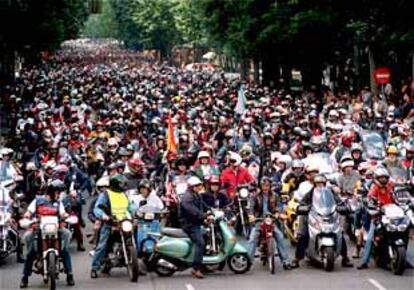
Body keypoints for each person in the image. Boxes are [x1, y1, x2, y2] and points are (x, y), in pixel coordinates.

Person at [20, 180, 75, 288]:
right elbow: (28, 213)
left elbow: (63, 213)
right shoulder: (38, 200)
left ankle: (70, 275)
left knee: (66, 242)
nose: (59, 194)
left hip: (56, 228)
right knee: (30, 250)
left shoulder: (59, 203)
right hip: (39, 229)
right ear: (51, 192)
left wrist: (66, 216)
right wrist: (27, 217)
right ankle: (25, 277)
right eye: (57, 192)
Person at [291, 174, 353, 268]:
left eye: (321, 183)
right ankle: (296, 259)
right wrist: (303, 207)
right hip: (314, 217)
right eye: (318, 183)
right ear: (315, 184)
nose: (320, 185)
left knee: (339, 234)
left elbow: (339, 201)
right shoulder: (311, 193)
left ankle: (345, 258)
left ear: (324, 184)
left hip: (329, 216)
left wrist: (342, 207)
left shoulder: (330, 192)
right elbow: (303, 202)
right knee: (304, 235)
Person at [90, 174, 137, 278]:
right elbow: (97, 208)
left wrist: (136, 211)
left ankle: (135, 263)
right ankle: (94, 268)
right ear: (116, 184)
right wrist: (103, 215)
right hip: (110, 224)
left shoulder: (124, 195)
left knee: (135, 238)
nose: (124, 186)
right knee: (102, 246)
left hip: (124, 222)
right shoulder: (106, 194)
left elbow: (130, 207)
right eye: (122, 184)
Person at [247, 177, 292, 270]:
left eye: (267, 185)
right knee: (252, 238)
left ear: (270, 186)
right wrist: (251, 215)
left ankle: (286, 261)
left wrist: (277, 213)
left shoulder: (275, 196)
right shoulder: (255, 196)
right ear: (260, 186)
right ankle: (248, 262)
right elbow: (250, 207)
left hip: (271, 221)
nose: (265, 187)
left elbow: (279, 206)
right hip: (259, 221)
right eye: (263, 185)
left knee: (280, 236)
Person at [357, 167, 394, 270]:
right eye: (380, 178)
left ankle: (403, 259)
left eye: (385, 178)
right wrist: (373, 204)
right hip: (378, 217)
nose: (383, 180)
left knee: (400, 233)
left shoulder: (391, 187)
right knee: (369, 239)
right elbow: (369, 199)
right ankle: (365, 261)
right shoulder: (374, 188)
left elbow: (398, 196)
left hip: (391, 216)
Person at [178, 176, 212, 279]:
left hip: (196, 222)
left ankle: (202, 264)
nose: (199, 187)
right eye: (197, 185)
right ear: (191, 187)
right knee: (200, 242)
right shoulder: (187, 198)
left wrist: (212, 210)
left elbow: (204, 205)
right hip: (189, 224)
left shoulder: (196, 195)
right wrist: (204, 216)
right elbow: (193, 212)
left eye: (200, 185)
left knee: (206, 237)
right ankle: (195, 268)